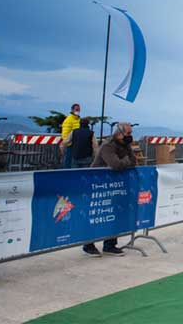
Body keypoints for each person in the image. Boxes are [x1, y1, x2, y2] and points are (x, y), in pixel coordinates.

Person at [83, 123, 137, 257]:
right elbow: (116, 165)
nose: (130, 136)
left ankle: (110, 244)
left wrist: (125, 161)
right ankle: (88, 244)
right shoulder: (108, 145)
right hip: (98, 184)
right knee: (97, 215)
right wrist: (125, 161)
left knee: (114, 213)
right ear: (119, 133)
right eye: (128, 133)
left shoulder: (125, 145)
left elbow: (134, 161)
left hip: (114, 185)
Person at [60, 103, 81, 168]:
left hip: (76, 145)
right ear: (72, 110)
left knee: (73, 162)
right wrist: (70, 143)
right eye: (76, 109)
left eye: (79, 110)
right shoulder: (68, 120)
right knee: (68, 162)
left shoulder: (78, 119)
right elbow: (65, 134)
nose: (78, 111)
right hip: (70, 145)